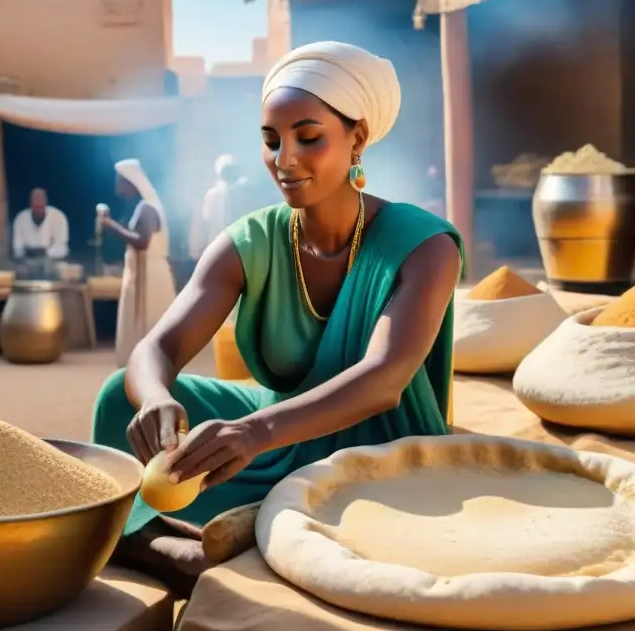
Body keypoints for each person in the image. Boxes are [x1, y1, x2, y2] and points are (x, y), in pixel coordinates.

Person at [91, 41, 464, 595]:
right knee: (116, 395)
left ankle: (164, 539)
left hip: (376, 448)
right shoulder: (252, 240)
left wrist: (255, 433)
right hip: (268, 431)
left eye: (308, 138)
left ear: (357, 138)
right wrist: (155, 398)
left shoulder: (423, 246)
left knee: (388, 529)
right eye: (271, 141)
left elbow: (385, 380)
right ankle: (180, 542)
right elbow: (156, 349)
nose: (284, 159)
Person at [102, 158, 177, 368]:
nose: (117, 185)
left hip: (149, 276)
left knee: (149, 324)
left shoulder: (147, 208)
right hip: (142, 273)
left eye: (119, 180)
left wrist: (111, 226)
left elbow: (142, 242)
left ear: (130, 182)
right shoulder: (142, 207)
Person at [12, 188, 69, 261]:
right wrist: (23, 255)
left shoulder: (58, 216)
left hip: (53, 257)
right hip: (28, 258)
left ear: (46, 201)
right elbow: (17, 245)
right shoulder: (21, 218)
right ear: (31, 203)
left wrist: (46, 253)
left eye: (40, 205)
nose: (38, 208)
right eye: (36, 205)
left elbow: (61, 242)